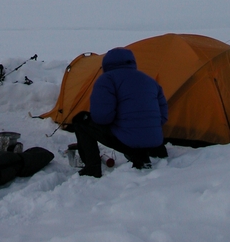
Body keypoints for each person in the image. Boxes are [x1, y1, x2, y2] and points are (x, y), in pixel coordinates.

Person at [72, 47, 168, 178]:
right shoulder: (149, 80)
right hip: (155, 141)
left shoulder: (107, 79)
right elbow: (162, 117)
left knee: (80, 121)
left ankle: (92, 168)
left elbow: (102, 117)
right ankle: (145, 154)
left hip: (128, 141)